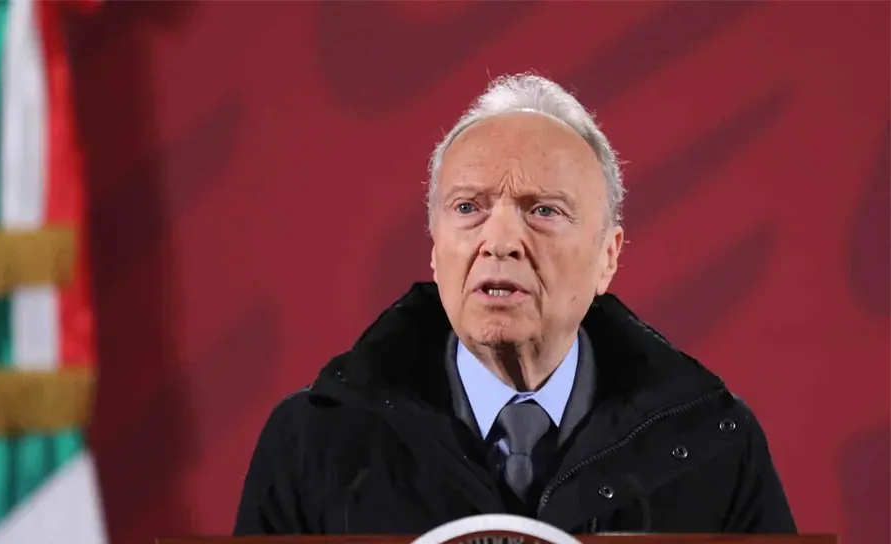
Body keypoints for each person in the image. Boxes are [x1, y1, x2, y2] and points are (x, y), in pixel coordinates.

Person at [233, 73, 796, 535]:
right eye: (468, 208)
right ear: (434, 251)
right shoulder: (312, 443)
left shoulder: (714, 444)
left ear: (608, 256)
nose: (499, 241)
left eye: (543, 210)